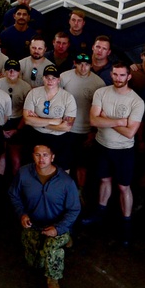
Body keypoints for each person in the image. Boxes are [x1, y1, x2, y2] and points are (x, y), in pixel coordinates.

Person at [9, 143, 81, 288]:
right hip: (34, 225)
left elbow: (74, 209)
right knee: (35, 263)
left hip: (57, 227)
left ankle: (53, 281)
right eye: (37, 155)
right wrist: (22, 214)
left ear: (52, 157)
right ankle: (57, 244)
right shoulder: (24, 174)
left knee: (51, 249)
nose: (41, 159)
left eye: (45, 155)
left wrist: (59, 229)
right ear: (32, 156)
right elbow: (14, 195)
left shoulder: (65, 181)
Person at [86, 64, 145, 245]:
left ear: (129, 77)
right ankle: (100, 213)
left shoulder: (136, 101)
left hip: (124, 150)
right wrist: (120, 121)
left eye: (122, 75)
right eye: (115, 74)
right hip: (102, 145)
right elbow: (93, 120)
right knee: (104, 180)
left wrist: (107, 119)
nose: (117, 78)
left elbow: (130, 133)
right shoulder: (101, 93)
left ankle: (126, 223)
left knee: (123, 187)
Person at [59, 54, 105, 190]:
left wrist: (94, 131)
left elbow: (101, 111)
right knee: (64, 163)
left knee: (82, 165)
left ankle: (80, 192)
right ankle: (63, 191)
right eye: (80, 64)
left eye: (86, 64)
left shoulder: (98, 83)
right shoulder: (64, 77)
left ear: (91, 65)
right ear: (75, 63)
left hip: (86, 130)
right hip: (67, 129)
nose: (83, 67)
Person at [22, 66, 76, 170]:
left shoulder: (68, 97)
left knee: (62, 169)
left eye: (53, 78)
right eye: (47, 77)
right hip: (36, 136)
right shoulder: (33, 93)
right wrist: (54, 121)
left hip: (59, 138)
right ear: (43, 78)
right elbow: (27, 120)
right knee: (33, 168)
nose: (50, 81)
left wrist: (38, 120)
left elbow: (67, 127)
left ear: (58, 80)